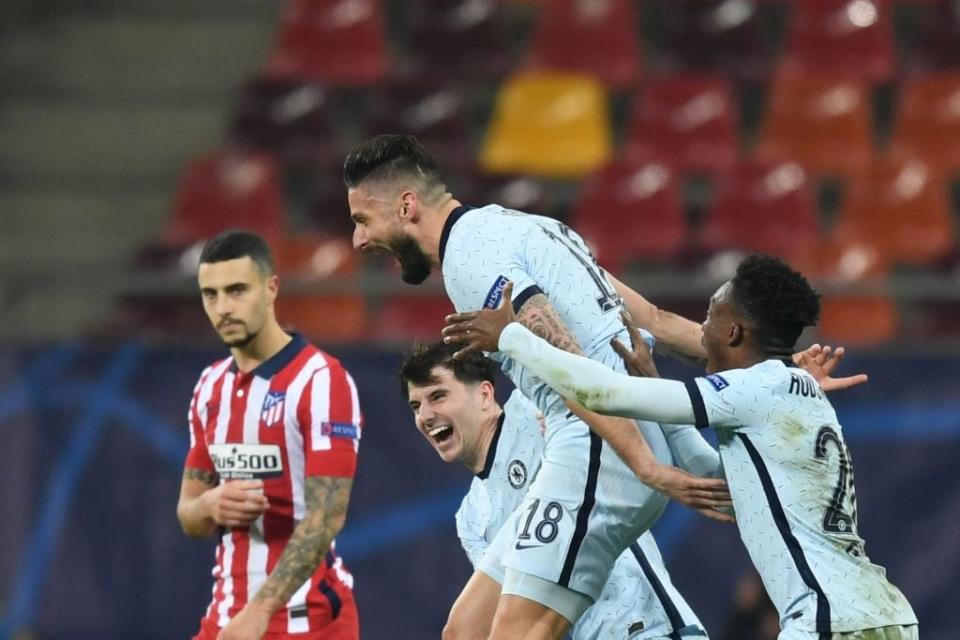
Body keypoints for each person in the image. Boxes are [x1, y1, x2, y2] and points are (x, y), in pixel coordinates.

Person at [345, 133, 747, 640]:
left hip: (598, 443)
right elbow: (654, 319)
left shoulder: (470, 260)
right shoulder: (531, 227)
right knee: (464, 630)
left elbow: (570, 364)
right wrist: (775, 368)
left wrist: (645, 465)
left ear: (406, 206)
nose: (358, 240)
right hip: (616, 439)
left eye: (362, 220)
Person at [443, 255, 919, 640]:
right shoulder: (795, 391)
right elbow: (718, 481)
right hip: (882, 615)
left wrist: (512, 337)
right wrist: (652, 378)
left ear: (733, 333)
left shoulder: (756, 390)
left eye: (711, 316)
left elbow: (602, 395)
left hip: (828, 620)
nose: (701, 330)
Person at [400, 341, 709, 639]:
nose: (425, 416)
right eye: (416, 406)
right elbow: (512, 611)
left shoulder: (534, 403)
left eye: (438, 396)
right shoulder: (471, 518)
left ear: (484, 394)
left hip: (648, 628)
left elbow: (601, 387)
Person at [176, 230, 362, 640]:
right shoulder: (210, 387)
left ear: (271, 288)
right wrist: (210, 503)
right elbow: (189, 515)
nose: (223, 307)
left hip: (308, 620)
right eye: (211, 294)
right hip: (226, 618)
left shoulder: (321, 380)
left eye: (237, 290)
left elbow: (327, 514)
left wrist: (260, 610)